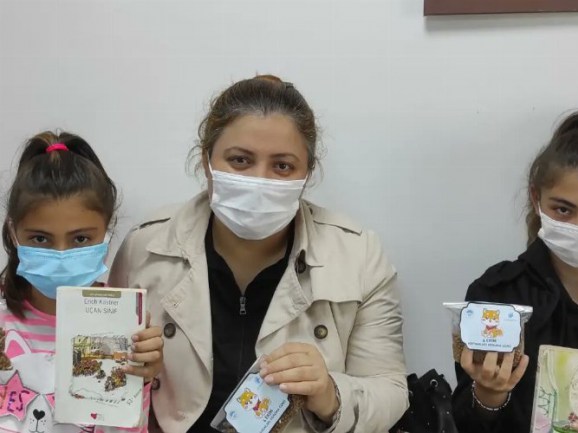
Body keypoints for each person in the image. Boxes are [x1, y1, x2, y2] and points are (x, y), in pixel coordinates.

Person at [109, 75, 408, 433]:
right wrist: (134, 374)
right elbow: (103, 379)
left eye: (282, 166)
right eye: (240, 160)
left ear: (307, 173)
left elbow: (390, 390)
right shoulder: (144, 247)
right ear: (206, 160)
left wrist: (330, 394)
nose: (259, 180)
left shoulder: (358, 256)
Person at [452, 107, 578, 433]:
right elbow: (464, 422)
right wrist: (488, 395)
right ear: (536, 198)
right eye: (563, 209)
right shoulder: (497, 296)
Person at [0, 131, 164, 432]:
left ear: (107, 232)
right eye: (40, 239)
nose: (61, 254)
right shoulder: (3, 324)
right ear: (13, 232)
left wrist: (141, 378)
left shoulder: (126, 323)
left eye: (80, 239)